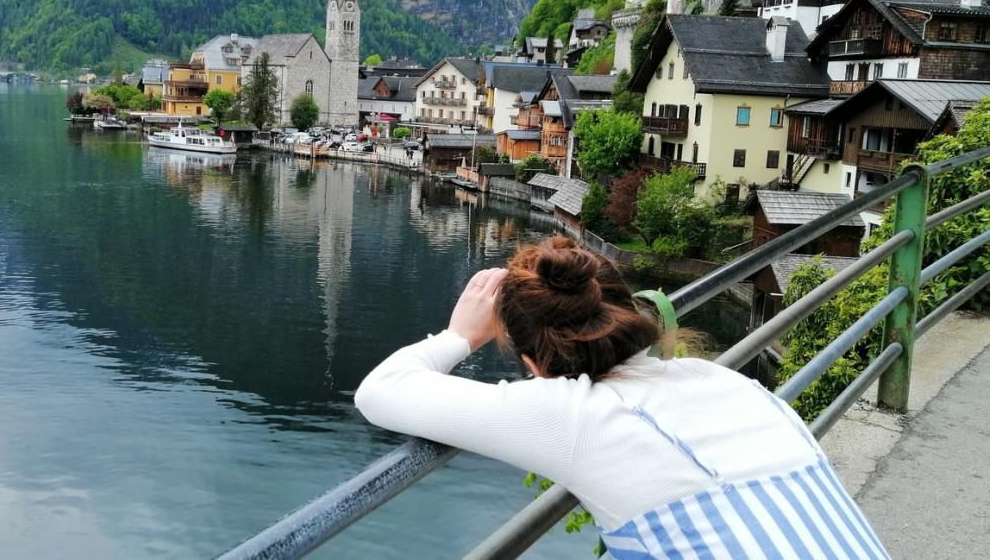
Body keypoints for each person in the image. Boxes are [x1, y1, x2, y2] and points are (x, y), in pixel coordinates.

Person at [355, 236, 888, 559]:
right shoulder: (729, 383)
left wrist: (459, 335)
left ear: (533, 364)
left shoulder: (573, 415)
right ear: (626, 315)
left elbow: (379, 392)